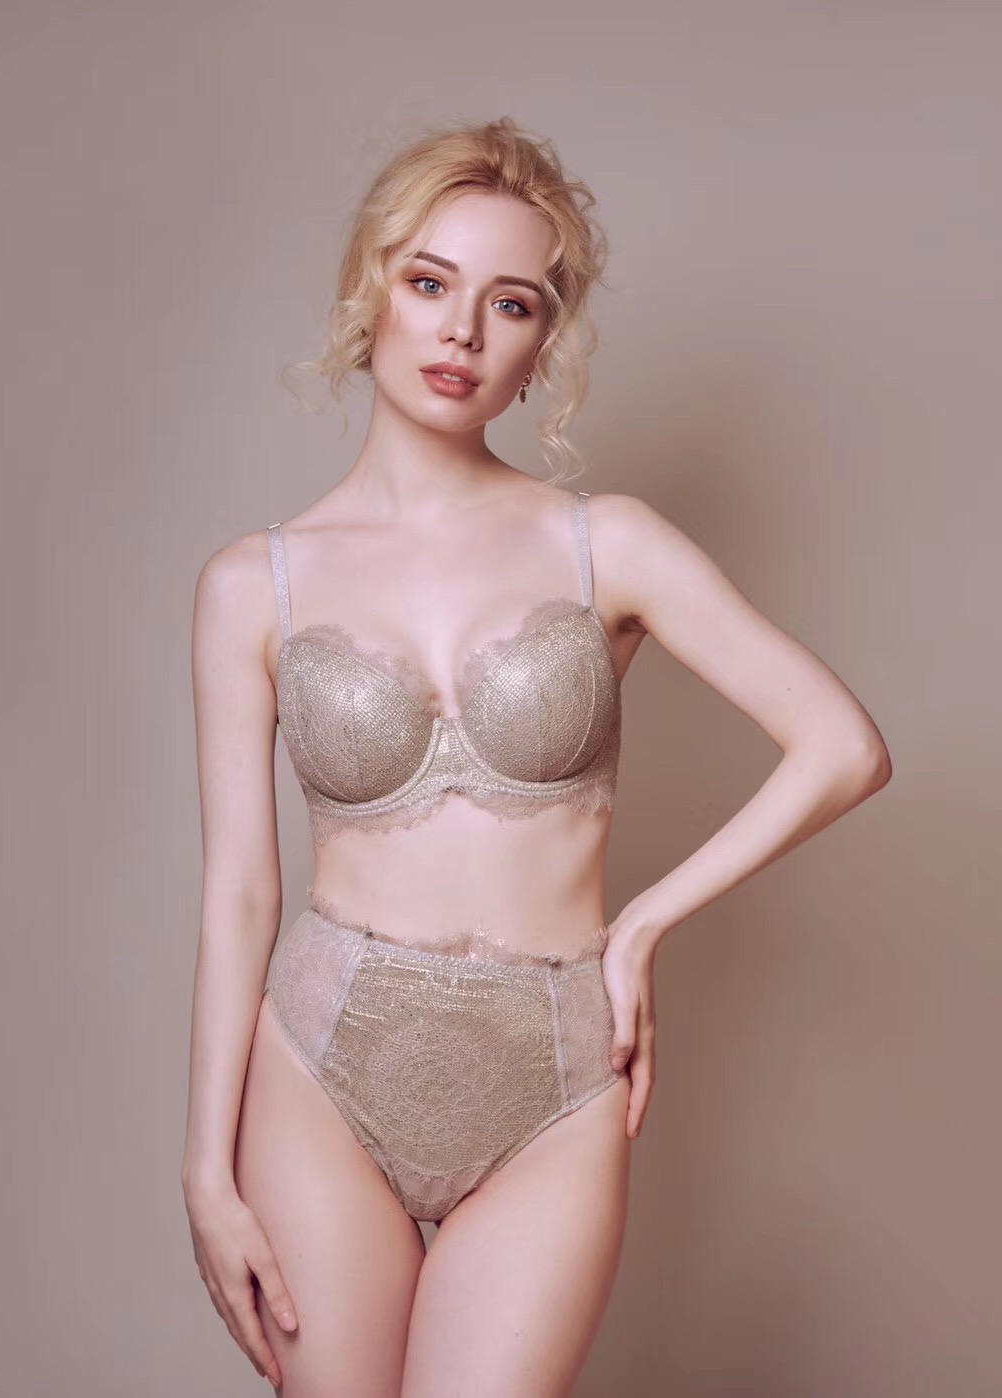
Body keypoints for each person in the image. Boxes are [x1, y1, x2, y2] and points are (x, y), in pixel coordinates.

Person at [180, 116, 892, 1396]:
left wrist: (644, 925)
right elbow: (240, 891)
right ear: (370, 291)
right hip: (322, 1068)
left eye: (509, 304)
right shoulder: (252, 587)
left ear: (539, 346)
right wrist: (204, 1169)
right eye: (429, 282)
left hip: (553, 1078)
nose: (461, 331)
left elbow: (842, 746)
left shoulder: (606, 544)